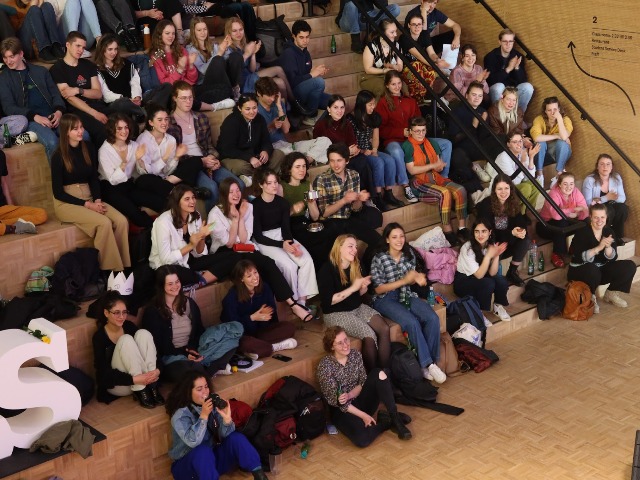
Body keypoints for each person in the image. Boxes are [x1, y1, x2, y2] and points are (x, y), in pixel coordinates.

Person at [207, 177, 316, 322]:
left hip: (244, 248)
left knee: (268, 263)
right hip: (225, 252)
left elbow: (245, 238)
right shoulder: (215, 213)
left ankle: (294, 304)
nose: (235, 194)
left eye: (238, 190)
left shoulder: (248, 207)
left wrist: (240, 216)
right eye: (231, 192)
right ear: (223, 194)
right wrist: (236, 219)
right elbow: (229, 243)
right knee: (274, 264)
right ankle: (293, 304)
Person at [51, 113, 130, 272]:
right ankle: (110, 270)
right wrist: (87, 205)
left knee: (121, 221)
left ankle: (125, 267)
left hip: (89, 195)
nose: (80, 131)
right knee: (104, 223)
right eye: (75, 129)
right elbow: (58, 193)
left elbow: (94, 177)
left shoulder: (88, 147)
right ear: (66, 132)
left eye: (81, 127)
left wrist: (98, 200)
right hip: (67, 202)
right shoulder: (58, 156)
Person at [370, 223, 445, 383]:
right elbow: (378, 289)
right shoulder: (379, 258)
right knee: (411, 322)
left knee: (432, 318)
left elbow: (411, 280)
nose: (399, 240)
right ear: (387, 240)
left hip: (406, 293)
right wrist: (404, 280)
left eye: (401, 236)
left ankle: (428, 365)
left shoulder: (409, 253)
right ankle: (430, 363)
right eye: (394, 237)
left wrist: (417, 278)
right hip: (385, 299)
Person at [142, 265, 242, 381]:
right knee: (188, 368)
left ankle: (203, 370)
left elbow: (199, 330)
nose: (175, 286)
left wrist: (193, 349)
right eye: (170, 284)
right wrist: (185, 354)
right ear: (161, 286)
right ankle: (208, 370)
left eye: (177, 282)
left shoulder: (189, 303)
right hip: (172, 356)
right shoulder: (153, 311)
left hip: (193, 350)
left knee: (234, 333)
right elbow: (158, 346)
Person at [317, 326, 411, 447]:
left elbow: (362, 382)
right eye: (340, 343)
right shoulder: (325, 367)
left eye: (346, 340)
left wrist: (350, 394)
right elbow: (340, 403)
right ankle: (386, 424)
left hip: (359, 399)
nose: (345, 345)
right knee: (362, 440)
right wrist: (364, 416)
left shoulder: (355, 355)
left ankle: (395, 418)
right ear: (331, 346)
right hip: (342, 411)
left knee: (379, 373)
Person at [165, 370, 268, 480]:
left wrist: (227, 419)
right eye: (199, 389)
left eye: (206, 387)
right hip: (187, 468)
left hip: (209, 463)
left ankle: (260, 475)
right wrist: (204, 416)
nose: (205, 392)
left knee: (236, 438)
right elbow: (193, 441)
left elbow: (225, 435)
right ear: (188, 392)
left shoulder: (211, 404)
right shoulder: (180, 416)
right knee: (202, 451)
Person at [318, 235, 391, 371]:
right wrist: (353, 287)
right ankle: (373, 378)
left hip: (356, 307)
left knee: (384, 329)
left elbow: (358, 294)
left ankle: (385, 374)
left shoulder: (356, 265)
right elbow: (329, 300)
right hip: (336, 314)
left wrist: (362, 287)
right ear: (338, 248)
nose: (354, 250)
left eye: (356, 247)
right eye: (350, 246)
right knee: (369, 335)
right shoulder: (327, 269)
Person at [167, 81, 242, 213]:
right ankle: (209, 226)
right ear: (175, 98)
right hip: (188, 167)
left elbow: (209, 145)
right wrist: (202, 162)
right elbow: (174, 156)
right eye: (183, 98)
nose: (188, 101)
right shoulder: (169, 123)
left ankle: (232, 218)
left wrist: (212, 157)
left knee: (238, 184)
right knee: (211, 189)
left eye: (190, 97)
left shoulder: (201, 118)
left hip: (207, 160)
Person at [376, 71, 452, 195]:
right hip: (394, 141)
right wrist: (401, 132)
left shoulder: (410, 101)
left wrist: (416, 132)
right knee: (396, 150)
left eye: (399, 83)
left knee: (446, 144)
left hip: (416, 139)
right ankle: (405, 185)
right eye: (393, 84)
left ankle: (442, 178)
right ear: (387, 86)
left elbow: (420, 121)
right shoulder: (383, 103)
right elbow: (381, 130)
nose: (397, 87)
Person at [252, 169, 319, 307]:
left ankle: (302, 300)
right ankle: (294, 301)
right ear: (261, 185)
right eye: (269, 183)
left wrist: (290, 244)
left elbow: (286, 228)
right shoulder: (255, 205)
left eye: (275, 182)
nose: (274, 186)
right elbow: (258, 236)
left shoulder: (282, 203)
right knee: (289, 266)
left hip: (281, 236)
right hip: (265, 240)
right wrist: (282, 245)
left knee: (306, 260)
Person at [313, 143, 383, 271]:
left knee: (379, 242)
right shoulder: (321, 180)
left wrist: (359, 199)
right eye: (332, 161)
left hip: (349, 218)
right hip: (331, 222)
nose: (336, 165)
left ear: (347, 160)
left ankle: (368, 269)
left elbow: (356, 209)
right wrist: (344, 200)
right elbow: (324, 213)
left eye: (339, 160)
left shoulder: (354, 175)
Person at [403, 116, 468, 246]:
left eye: (423, 130)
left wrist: (439, 166)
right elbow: (412, 170)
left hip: (435, 177)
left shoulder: (431, 143)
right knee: (444, 193)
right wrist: (433, 166)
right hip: (419, 182)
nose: (421, 134)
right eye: (417, 131)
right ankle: (448, 230)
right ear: (410, 131)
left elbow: (438, 163)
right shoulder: (407, 145)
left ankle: (462, 229)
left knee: (461, 190)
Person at [0, 37, 68, 162]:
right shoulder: (4, 78)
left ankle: (80, 178)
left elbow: (55, 95)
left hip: (53, 116)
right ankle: (59, 181)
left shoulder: (40, 71)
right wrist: (35, 116)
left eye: (11, 56)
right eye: (5, 57)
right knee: (52, 142)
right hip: (31, 120)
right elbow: (8, 107)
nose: (8, 61)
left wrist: (58, 111)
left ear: (21, 54)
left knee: (83, 136)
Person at [92, 291, 163, 407]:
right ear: (106, 313)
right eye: (116, 313)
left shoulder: (129, 326)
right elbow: (103, 373)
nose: (121, 317)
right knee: (126, 340)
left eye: (124, 312)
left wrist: (157, 371)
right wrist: (134, 380)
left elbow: (153, 353)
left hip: (146, 380)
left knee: (143, 333)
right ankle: (141, 390)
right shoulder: (99, 337)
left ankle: (153, 386)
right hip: (121, 385)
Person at [221, 260, 297, 358]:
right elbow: (232, 325)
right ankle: (272, 347)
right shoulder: (232, 297)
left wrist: (267, 316)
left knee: (289, 327)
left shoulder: (265, 287)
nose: (255, 277)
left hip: (261, 332)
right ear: (241, 279)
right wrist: (252, 318)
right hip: (242, 335)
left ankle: (260, 348)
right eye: (249, 276)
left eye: (255, 273)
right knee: (245, 343)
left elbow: (272, 315)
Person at [567, 203, 635, 312]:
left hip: (599, 271)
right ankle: (590, 298)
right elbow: (579, 257)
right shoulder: (582, 232)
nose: (599, 220)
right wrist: (599, 248)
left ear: (606, 218)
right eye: (596, 217)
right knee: (592, 269)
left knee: (629, 266)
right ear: (590, 218)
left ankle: (611, 294)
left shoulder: (609, 231)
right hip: (580, 270)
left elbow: (612, 258)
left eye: (602, 217)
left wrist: (607, 247)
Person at [349, 90, 409, 211]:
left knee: (390, 160)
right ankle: (377, 196)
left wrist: (375, 149)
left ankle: (388, 192)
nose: (373, 107)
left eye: (373, 103)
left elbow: (375, 137)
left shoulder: (374, 117)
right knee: (379, 163)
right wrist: (362, 150)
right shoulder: (351, 119)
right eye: (370, 104)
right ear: (362, 104)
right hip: (358, 152)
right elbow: (351, 141)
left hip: (371, 149)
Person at [149, 184, 219, 286]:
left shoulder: (196, 215)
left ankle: (200, 278)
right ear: (177, 202)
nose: (192, 201)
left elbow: (199, 253)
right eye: (187, 199)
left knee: (230, 257)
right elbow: (165, 260)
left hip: (189, 260)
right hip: (168, 266)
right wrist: (190, 245)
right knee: (178, 273)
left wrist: (202, 236)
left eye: (193, 197)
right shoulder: (163, 222)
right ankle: (199, 278)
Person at [97, 113, 159, 228]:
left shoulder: (134, 145)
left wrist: (140, 160)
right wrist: (124, 164)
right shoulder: (104, 150)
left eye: (126, 127)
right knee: (134, 212)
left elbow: (144, 172)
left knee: (155, 200)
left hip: (128, 184)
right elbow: (113, 180)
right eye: (119, 128)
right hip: (110, 188)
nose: (124, 131)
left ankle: (176, 221)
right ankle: (157, 229)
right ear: (112, 130)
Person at [136, 102, 206, 202]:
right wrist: (165, 157)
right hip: (151, 180)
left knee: (196, 161)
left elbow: (167, 171)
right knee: (145, 180)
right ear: (151, 122)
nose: (164, 123)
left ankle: (168, 186)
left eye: (166, 119)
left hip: (167, 179)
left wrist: (176, 157)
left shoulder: (171, 140)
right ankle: (184, 192)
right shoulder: (142, 140)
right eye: (160, 120)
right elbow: (149, 172)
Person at [49, 31, 110, 146]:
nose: (81, 50)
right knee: (101, 130)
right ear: (67, 45)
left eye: (83, 47)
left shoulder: (88, 65)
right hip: (76, 111)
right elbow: (69, 98)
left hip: (97, 105)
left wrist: (78, 90)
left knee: (122, 122)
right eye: (78, 46)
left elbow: (98, 93)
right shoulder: (58, 69)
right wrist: (94, 113)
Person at [255, 77, 331, 165]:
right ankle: (302, 161)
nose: (272, 99)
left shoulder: (277, 104)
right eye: (269, 96)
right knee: (287, 155)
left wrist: (279, 106)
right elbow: (256, 138)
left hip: (287, 145)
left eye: (273, 95)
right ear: (259, 93)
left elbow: (286, 129)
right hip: (272, 149)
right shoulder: (253, 109)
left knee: (325, 141)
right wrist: (271, 126)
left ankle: (307, 161)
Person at [312, 94, 376, 196]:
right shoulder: (321, 125)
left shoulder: (347, 123)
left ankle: (368, 197)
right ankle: (357, 196)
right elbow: (320, 148)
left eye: (342, 107)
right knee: (354, 164)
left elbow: (354, 145)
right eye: (335, 107)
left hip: (348, 157)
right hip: (331, 159)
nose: (339, 111)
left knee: (362, 160)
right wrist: (346, 151)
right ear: (329, 109)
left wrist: (351, 151)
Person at [278, 152, 333, 267]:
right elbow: (278, 218)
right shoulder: (281, 186)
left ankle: (328, 269)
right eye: (297, 167)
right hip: (289, 224)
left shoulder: (307, 184)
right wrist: (292, 209)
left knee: (329, 232)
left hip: (305, 221)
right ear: (288, 169)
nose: (302, 170)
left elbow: (315, 217)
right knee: (313, 240)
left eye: (304, 166)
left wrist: (311, 203)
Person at [475, 174, 529, 290]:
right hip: (492, 243)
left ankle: (512, 272)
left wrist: (521, 230)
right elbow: (487, 233)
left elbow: (521, 221)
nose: (503, 192)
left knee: (525, 240)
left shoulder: (512, 202)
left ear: (511, 189)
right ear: (494, 190)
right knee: (495, 277)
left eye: (506, 188)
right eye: (500, 189)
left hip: (507, 240)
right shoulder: (486, 205)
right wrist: (511, 234)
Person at [217, 94, 285, 184]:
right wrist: (249, 158)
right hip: (234, 158)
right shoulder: (231, 122)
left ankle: (258, 177)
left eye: (254, 108)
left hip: (256, 157)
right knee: (243, 167)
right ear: (240, 108)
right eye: (247, 109)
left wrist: (265, 151)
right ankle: (264, 176)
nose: (252, 112)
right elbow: (227, 150)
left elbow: (266, 141)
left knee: (279, 154)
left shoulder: (260, 119)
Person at [223, 17, 293, 102]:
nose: (238, 33)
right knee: (278, 69)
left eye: (240, 29)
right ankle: (294, 101)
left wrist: (253, 54)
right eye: (234, 31)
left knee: (280, 82)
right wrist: (247, 53)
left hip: (250, 76)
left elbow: (252, 70)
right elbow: (233, 71)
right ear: (229, 32)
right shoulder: (228, 49)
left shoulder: (244, 45)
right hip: (242, 83)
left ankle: (286, 109)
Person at [454, 219, 510, 320]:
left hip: (481, 276)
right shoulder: (467, 249)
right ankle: (478, 313)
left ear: (490, 232)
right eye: (477, 231)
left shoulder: (490, 245)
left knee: (501, 280)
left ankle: (497, 306)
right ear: (473, 233)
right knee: (488, 283)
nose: (480, 235)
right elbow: (479, 275)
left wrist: (496, 255)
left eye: (484, 231)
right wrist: (488, 256)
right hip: (463, 282)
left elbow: (492, 273)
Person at [278, 20, 331, 126]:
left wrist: (315, 71)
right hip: (294, 94)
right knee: (319, 82)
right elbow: (292, 82)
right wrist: (313, 75)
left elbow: (306, 75)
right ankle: (310, 116)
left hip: (306, 92)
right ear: (294, 36)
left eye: (307, 37)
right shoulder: (289, 53)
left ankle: (316, 116)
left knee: (334, 101)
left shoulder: (305, 52)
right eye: (301, 37)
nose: (305, 40)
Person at [185, 17, 241, 106]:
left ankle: (234, 89)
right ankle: (229, 92)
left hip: (220, 77)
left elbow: (225, 59)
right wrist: (219, 52)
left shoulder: (212, 44)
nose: (203, 32)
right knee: (217, 60)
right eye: (199, 30)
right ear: (193, 32)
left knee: (235, 56)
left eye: (205, 29)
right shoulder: (190, 49)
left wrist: (226, 48)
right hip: (205, 82)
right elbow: (203, 70)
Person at [536, 172, 588, 268]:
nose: (569, 187)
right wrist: (573, 210)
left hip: (564, 223)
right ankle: (557, 253)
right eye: (565, 184)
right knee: (561, 222)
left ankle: (574, 247)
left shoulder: (575, 191)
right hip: (545, 226)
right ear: (559, 184)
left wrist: (576, 214)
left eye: (571, 184)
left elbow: (585, 210)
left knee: (586, 222)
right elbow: (556, 215)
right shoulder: (553, 193)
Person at [448, 81, 488, 199]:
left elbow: (484, 137)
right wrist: (473, 126)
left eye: (480, 96)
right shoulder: (457, 111)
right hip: (462, 148)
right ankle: (477, 192)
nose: (477, 98)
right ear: (466, 95)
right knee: (458, 156)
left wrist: (484, 125)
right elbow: (454, 138)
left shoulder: (483, 111)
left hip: (478, 147)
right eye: (474, 95)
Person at [399, 12, 450, 104]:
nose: (417, 27)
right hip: (407, 66)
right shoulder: (404, 37)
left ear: (422, 25)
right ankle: (418, 101)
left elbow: (431, 53)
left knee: (429, 70)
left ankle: (428, 96)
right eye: (414, 24)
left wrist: (437, 60)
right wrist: (435, 66)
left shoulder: (424, 34)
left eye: (419, 24)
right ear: (409, 25)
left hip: (423, 64)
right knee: (417, 66)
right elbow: (419, 55)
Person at [94, 34, 146, 123]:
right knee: (122, 103)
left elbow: (135, 82)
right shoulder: (96, 70)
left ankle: (136, 112)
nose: (113, 53)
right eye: (110, 49)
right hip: (115, 105)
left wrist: (136, 96)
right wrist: (127, 100)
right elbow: (106, 95)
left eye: (115, 49)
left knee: (165, 87)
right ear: (102, 49)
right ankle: (143, 114)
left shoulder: (127, 64)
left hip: (133, 100)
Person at [484, 132, 541, 212]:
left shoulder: (522, 154)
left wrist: (531, 158)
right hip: (503, 189)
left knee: (536, 183)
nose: (519, 144)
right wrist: (522, 163)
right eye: (515, 142)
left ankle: (528, 212)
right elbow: (513, 181)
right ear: (508, 144)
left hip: (515, 186)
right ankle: (519, 214)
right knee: (526, 188)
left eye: (520, 141)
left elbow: (530, 177)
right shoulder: (503, 157)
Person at [484, 28, 534, 113]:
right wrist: (508, 69)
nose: (508, 44)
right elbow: (491, 80)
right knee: (498, 87)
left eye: (511, 41)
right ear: (499, 42)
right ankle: (499, 118)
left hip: (512, 90)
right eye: (505, 41)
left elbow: (523, 80)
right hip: (497, 89)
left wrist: (517, 68)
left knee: (528, 87)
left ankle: (517, 118)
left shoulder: (518, 55)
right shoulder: (491, 56)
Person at [582, 154, 628, 245]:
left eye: (608, 164)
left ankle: (616, 237)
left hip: (611, 204)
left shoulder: (616, 177)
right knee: (609, 210)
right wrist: (606, 197)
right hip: (596, 208)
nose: (605, 167)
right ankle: (602, 236)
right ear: (597, 166)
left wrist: (610, 199)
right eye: (602, 164)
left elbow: (622, 198)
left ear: (612, 167)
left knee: (622, 208)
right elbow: (588, 202)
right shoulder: (590, 180)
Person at [530, 96, 573, 188]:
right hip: (543, 152)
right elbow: (536, 137)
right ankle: (539, 175)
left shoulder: (565, 120)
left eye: (555, 109)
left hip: (561, 151)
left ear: (559, 109)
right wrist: (557, 136)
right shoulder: (539, 119)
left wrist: (560, 119)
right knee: (540, 143)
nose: (553, 113)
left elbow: (565, 136)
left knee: (562, 143)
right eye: (549, 110)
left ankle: (559, 175)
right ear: (545, 111)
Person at [0, 149, 46, 235]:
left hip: (2, 209)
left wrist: (11, 205)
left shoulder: (0, 155)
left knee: (41, 214)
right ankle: (10, 228)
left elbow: (4, 183)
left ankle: (3, 225)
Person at [336, 0, 401, 54]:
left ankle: (370, 32)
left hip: (368, 15)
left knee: (395, 8)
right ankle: (355, 41)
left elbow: (383, 5)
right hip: (348, 20)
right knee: (351, 5)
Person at [361, 19, 403, 100]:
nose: (395, 34)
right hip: (372, 76)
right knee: (383, 90)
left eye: (396, 31)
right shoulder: (371, 46)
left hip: (391, 76)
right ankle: (383, 111)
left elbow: (400, 66)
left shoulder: (397, 45)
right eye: (392, 32)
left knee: (404, 89)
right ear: (382, 33)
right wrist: (384, 71)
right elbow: (368, 69)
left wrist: (394, 66)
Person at [484, 85, 529, 159]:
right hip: (499, 141)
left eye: (514, 100)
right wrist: (514, 141)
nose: (511, 103)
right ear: (502, 99)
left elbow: (519, 130)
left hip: (512, 139)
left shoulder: (519, 112)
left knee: (530, 146)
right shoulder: (493, 111)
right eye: (508, 99)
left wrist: (522, 139)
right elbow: (497, 132)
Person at [181, 0, 257, 42]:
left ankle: (253, 38)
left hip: (216, 5)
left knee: (247, 5)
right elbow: (185, 8)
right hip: (206, 11)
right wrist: (204, 7)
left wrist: (208, 4)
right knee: (238, 8)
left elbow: (205, 2)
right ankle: (249, 40)